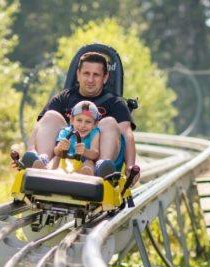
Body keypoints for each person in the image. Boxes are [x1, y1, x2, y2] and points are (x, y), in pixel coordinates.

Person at [18, 51, 138, 182]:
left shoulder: (115, 103)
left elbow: (127, 134)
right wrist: (29, 151)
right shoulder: (63, 98)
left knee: (109, 122)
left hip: (94, 157)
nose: (90, 79)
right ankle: (41, 161)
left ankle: (101, 167)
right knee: (50, 115)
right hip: (62, 154)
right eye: (86, 73)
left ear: (105, 77)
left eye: (96, 75)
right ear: (78, 75)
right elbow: (40, 126)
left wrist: (131, 165)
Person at [51, 101, 101, 175]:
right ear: (72, 120)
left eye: (88, 122)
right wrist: (60, 148)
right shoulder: (65, 132)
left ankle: (85, 174)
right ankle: (45, 170)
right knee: (56, 158)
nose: (83, 125)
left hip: (82, 165)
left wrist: (84, 151)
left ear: (95, 124)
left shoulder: (95, 133)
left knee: (89, 163)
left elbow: (95, 154)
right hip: (64, 163)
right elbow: (56, 152)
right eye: (79, 120)